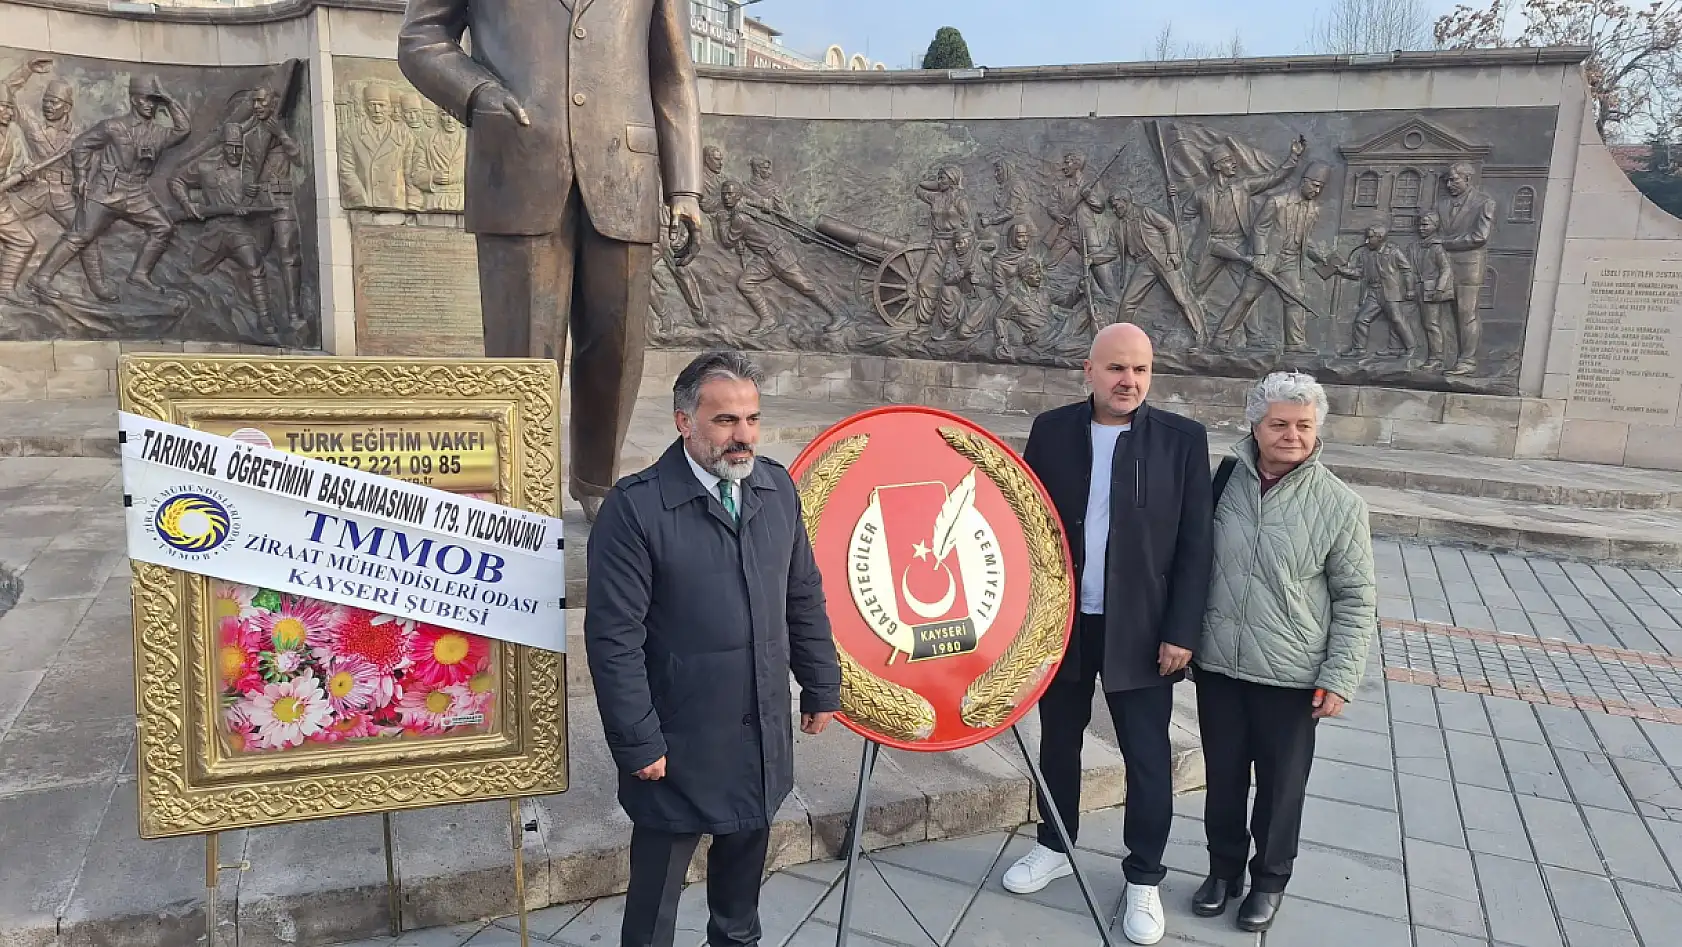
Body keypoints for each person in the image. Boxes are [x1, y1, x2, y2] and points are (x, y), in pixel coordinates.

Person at [398, 0, 705, 521]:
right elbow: (420, 39)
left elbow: (673, 75)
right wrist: (477, 91)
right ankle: (521, 486)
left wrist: (686, 188)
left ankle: (600, 483)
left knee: (617, 344)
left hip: (624, 172)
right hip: (516, 167)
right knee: (523, 351)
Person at [584, 350, 841, 947]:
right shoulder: (635, 508)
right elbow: (614, 640)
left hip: (758, 735)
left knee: (740, 901)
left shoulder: (775, 488)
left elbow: (803, 593)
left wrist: (821, 684)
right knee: (655, 906)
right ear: (684, 422)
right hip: (676, 744)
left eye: (751, 419)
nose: (743, 436)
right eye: (725, 420)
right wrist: (638, 740)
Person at [1005, 322, 1214, 946]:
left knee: (1146, 757)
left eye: (1141, 370)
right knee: (1058, 741)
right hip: (1066, 623)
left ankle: (1144, 877)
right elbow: (1025, 522)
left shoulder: (1181, 441)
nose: (1129, 381)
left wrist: (1182, 630)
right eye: (1117, 368)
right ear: (1089, 371)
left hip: (1145, 631)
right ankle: (1055, 844)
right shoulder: (1052, 431)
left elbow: (1196, 548)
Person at [1191, 371, 1377, 933]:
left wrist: (1340, 676)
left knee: (1280, 786)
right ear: (1255, 425)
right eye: (1279, 424)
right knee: (1222, 778)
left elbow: (1356, 598)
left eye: (1303, 425)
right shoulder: (1221, 484)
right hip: (1221, 664)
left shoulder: (1341, 505)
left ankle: (1268, 880)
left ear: (1317, 429)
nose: (1291, 435)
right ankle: (1222, 871)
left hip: (1293, 675)